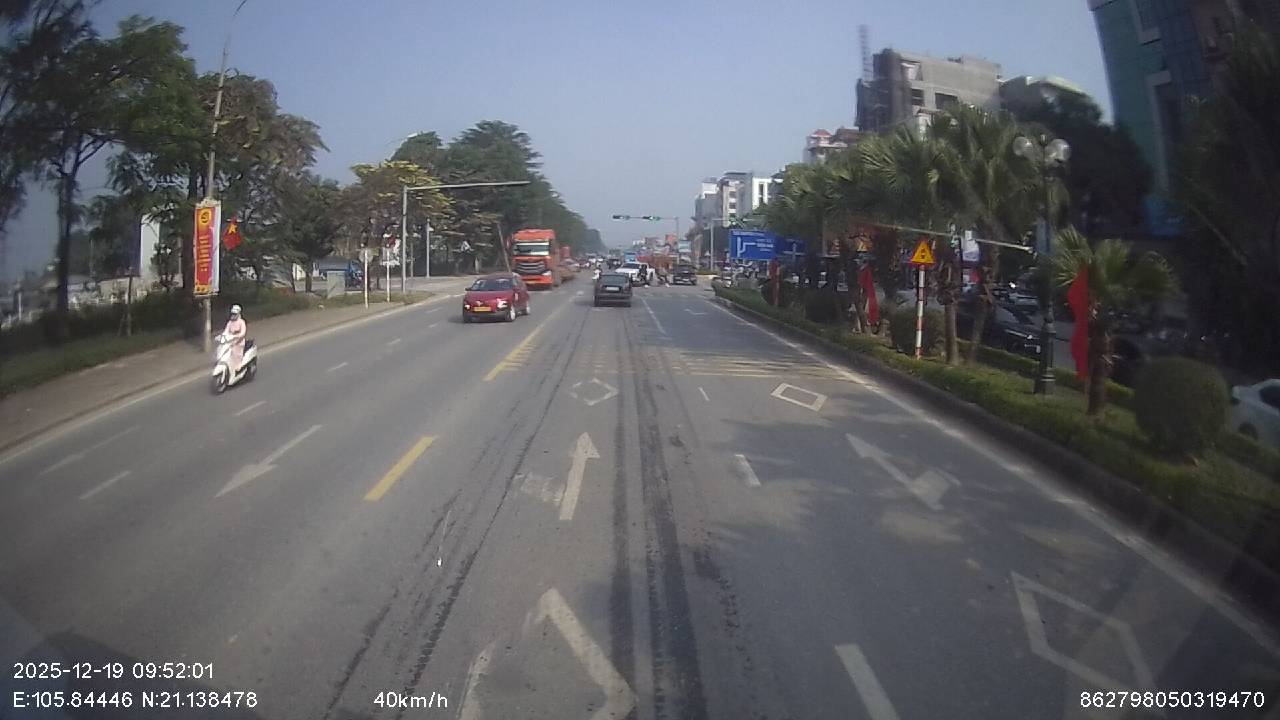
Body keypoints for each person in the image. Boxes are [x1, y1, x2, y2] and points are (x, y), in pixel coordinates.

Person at [222, 304, 247, 372]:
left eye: (235, 314)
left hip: (239, 342)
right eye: (232, 314)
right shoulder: (230, 322)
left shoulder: (241, 322)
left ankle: (239, 365)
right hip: (230, 342)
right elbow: (226, 331)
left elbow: (243, 332)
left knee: (237, 354)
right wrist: (223, 336)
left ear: (238, 314)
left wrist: (237, 336)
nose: (233, 315)